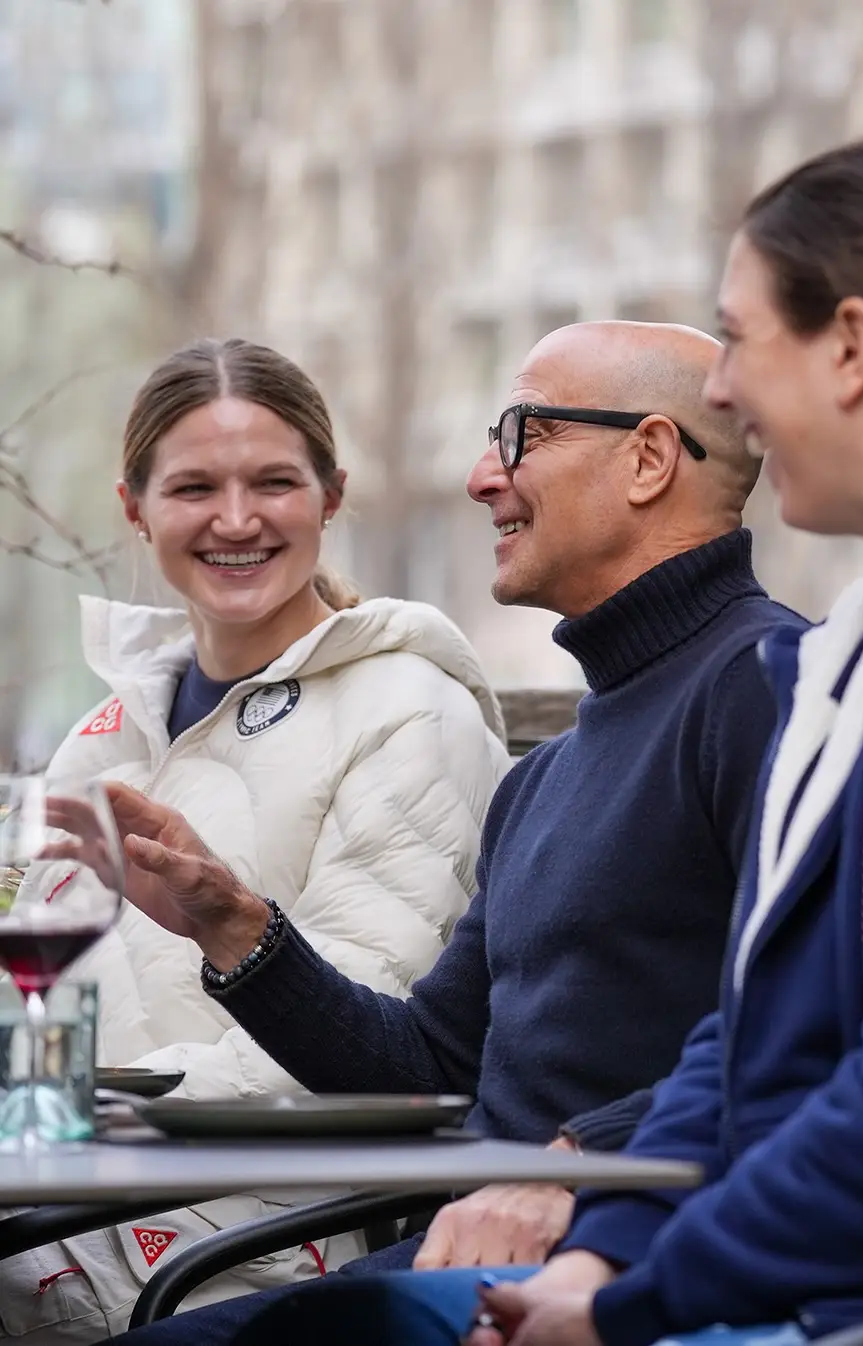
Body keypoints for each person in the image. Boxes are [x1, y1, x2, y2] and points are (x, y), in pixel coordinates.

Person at [218, 135, 863, 1346]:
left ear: (850, 345)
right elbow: (757, 1030)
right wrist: (613, 1252)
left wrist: (633, 1279)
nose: (724, 393)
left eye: (740, 339)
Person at [107, 318, 806, 1345]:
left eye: (523, 434)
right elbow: (431, 1066)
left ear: (650, 458)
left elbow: (819, 1020)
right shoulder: (552, 772)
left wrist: (583, 1162)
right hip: (466, 1248)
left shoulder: (770, 690)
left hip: (622, 1261)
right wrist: (236, 930)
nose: (482, 477)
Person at [0, 338, 510, 1343]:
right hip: (65, 1187)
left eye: (273, 482)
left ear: (331, 496)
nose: (236, 520)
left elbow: (366, 1037)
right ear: (135, 507)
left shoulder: (412, 713)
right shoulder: (104, 732)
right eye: (194, 487)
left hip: (250, 1224)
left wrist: (60, 1124)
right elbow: (37, 994)